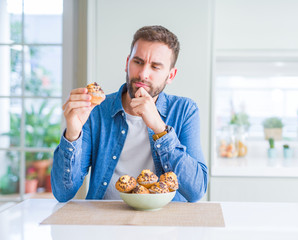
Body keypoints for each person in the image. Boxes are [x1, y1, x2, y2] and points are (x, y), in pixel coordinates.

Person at [51, 25, 208, 202]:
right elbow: (62, 193)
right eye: (138, 62)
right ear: (127, 63)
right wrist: (72, 134)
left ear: (170, 76)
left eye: (155, 67)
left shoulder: (185, 111)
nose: (143, 74)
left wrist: (160, 129)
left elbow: (196, 191)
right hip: (104, 221)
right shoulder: (96, 110)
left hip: (164, 223)